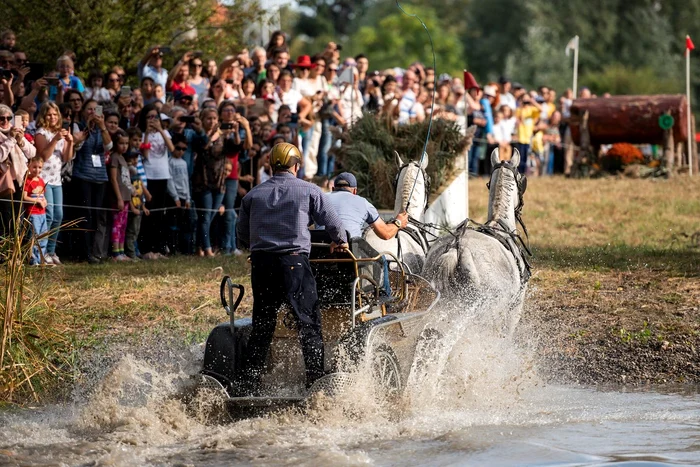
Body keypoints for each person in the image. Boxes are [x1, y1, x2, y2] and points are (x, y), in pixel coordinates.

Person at [236, 142, 348, 392]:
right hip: (294, 264)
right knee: (307, 322)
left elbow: (242, 235)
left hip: (262, 265)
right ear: (296, 166)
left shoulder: (253, 195)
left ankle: (250, 382)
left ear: (271, 165)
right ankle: (315, 380)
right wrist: (339, 242)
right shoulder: (309, 190)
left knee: (262, 325)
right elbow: (335, 225)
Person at [35, 102, 73, 265]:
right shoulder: (41, 133)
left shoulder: (60, 133)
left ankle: (51, 251)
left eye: (55, 114)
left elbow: (66, 158)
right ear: (44, 116)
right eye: (49, 114)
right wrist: (55, 139)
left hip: (57, 179)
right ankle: (41, 252)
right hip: (44, 179)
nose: (52, 117)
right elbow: (43, 156)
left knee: (59, 215)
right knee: (48, 215)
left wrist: (70, 142)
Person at [326, 172, 408, 240]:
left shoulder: (322, 198)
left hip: (320, 250)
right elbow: (386, 234)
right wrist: (398, 222)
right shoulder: (363, 203)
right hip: (350, 253)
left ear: (333, 189)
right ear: (355, 191)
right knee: (381, 258)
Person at [107, 129, 133, 261]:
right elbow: (113, 179)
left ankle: (121, 251)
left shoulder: (123, 158)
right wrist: (118, 198)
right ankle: (115, 252)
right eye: (121, 143)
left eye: (127, 143)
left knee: (123, 225)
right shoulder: (114, 158)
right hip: (119, 197)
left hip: (126, 197)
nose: (124, 146)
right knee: (117, 225)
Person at [23, 156, 51, 265]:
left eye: (40, 167)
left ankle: (41, 259)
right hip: (33, 213)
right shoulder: (28, 180)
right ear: (29, 166)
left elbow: (42, 196)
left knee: (43, 236)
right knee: (34, 237)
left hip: (42, 213)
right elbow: (24, 197)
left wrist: (44, 201)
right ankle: (33, 260)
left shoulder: (41, 181)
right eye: (34, 167)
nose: (37, 170)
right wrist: (37, 202)